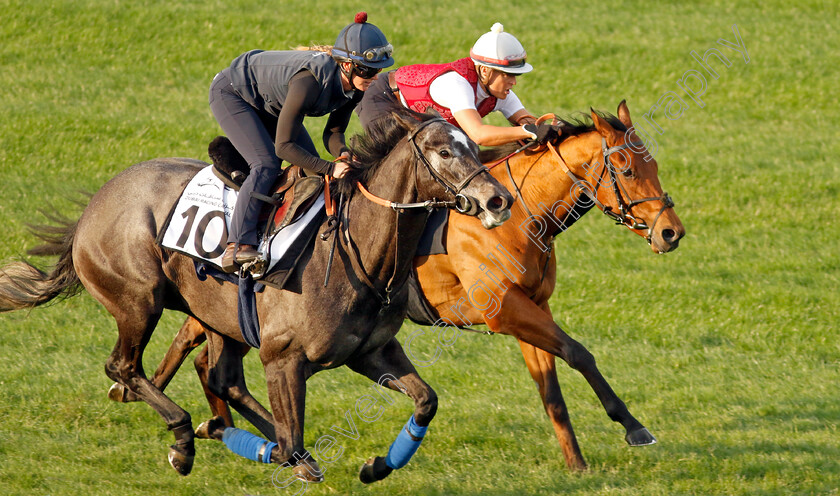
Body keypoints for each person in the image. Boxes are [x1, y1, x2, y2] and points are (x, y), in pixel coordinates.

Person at [210, 12, 394, 273]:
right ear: (346, 66)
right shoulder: (309, 82)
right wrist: (330, 168)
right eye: (368, 70)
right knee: (266, 164)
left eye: (379, 70)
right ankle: (238, 244)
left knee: (312, 172)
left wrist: (341, 154)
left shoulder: (355, 87)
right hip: (233, 93)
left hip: (270, 103)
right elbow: (283, 147)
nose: (374, 77)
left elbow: (334, 132)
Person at [356, 22, 554, 147]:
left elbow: (527, 121)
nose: (514, 81)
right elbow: (479, 135)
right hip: (384, 98)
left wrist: (543, 128)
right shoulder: (457, 85)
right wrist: (527, 132)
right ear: (485, 71)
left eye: (515, 75)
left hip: (418, 117)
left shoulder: (500, 92)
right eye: (508, 75)